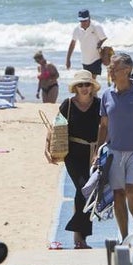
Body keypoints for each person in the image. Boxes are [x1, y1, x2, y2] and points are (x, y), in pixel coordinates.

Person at [92, 52, 133, 239]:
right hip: (114, 151)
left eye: (113, 67)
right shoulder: (106, 94)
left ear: (127, 70)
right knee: (118, 194)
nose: (109, 69)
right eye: (109, 67)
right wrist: (97, 151)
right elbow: (104, 125)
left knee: (132, 191)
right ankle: (125, 237)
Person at [48, 70, 101, 249]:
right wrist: (47, 149)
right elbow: (55, 128)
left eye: (87, 84)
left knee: (87, 192)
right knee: (83, 187)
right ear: (75, 88)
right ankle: (79, 236)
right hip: (73, 154)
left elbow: (107, 128)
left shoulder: (100, 104)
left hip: (94, 153)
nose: (84, 88)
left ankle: (81, 237)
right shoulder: (68, 104)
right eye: (80, 85)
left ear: (92, 86)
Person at [66, 9, 107, 76]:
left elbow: (105, 39)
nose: (83, 23)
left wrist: (101, 44)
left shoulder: (96, 26)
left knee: (92, 81)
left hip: (96, 59)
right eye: (81, 21)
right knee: (88, 82)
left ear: (89, 18)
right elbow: (72, 44)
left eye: (85, 20)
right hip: (85, 60)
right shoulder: (77, 29)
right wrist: (68, 59)